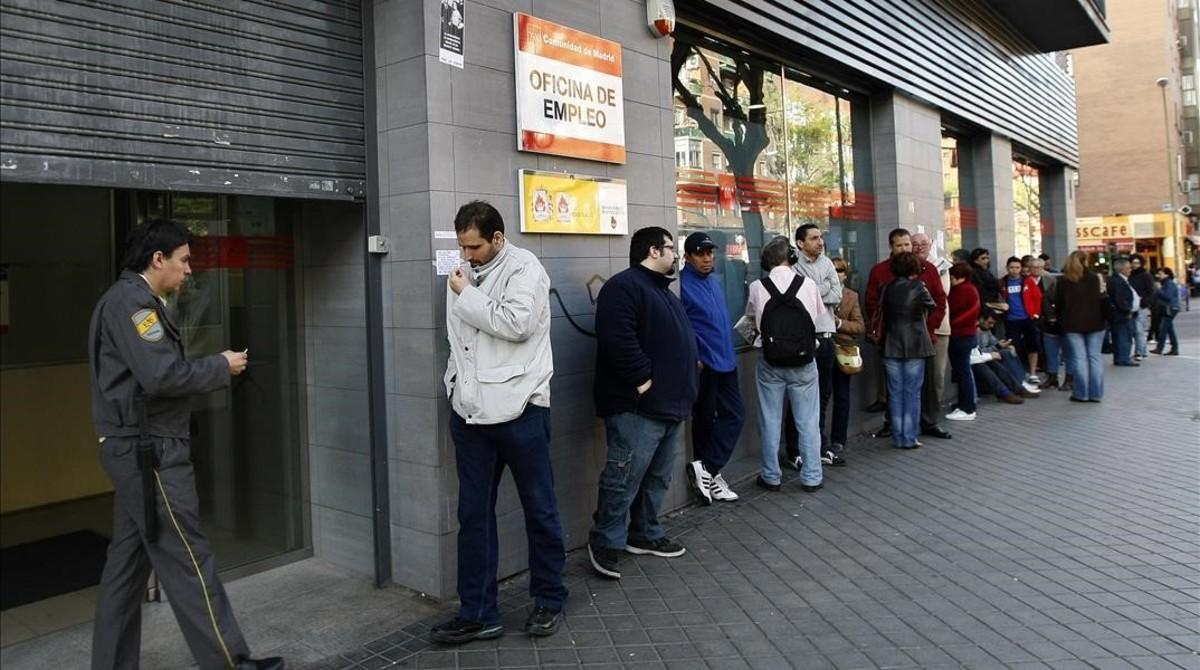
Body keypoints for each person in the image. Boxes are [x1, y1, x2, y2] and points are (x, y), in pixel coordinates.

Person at [88, 220, 282, 670]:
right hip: (150, 454)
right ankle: (232, 663)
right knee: (190, 560)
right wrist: (220, 366)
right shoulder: (134, 304)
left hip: (137, 450)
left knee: (126, 569)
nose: (189, 271)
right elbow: (160, 376)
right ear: (159, 260)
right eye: (184, 260)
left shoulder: (129, 300)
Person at [431, 201, 567, 644]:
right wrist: (454, 387)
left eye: (473, 247)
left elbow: (517, 324)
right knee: (473, 516)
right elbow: (463, 342)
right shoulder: (464, 275)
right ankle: (478, 613)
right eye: (462, 247)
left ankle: (549, 599)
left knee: (539, 509)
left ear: (497, 238)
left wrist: (465, 295)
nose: (466, 256)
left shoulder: (525, 268)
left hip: (522, 410)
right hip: (470, 415)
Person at [589, 227, 698, 580]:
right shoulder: (624, 287)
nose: (676, 257)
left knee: (657, 477)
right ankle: (605, 540)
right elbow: (616, 337)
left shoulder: (663, 291)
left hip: (669, 404)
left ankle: (644, 533)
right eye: (672, 250)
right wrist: (642, 380)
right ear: (654, 251)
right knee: (624, 476)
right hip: (638, 406)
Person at [745, 236, 827, 491]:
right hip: (804, 362)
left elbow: (750, 319)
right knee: (808, 421)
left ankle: (771, 475)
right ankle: (812, 476)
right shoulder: (808, 284)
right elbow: (819, 319)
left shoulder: (758, 287)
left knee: (769, 419)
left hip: (770, 362)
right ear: (791, 257)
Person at [864, 229, 948, 440]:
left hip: (923, 337)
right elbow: (872, 304)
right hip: (891, 339)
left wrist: (928, 327)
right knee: (899, 389)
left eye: (907, 244)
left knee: (928, 382)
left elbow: (939, 301)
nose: (904, 249)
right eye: (900, 245)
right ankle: (896, 427)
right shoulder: (880, 271)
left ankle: (927, 423)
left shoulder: (927, 268)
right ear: (891, 247)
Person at [680, 232, 743, 504]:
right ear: (687, 257)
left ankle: (707, 468)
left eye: (710, 253)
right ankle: (709, 474)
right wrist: (695, 357)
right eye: (700, 254)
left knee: (735, 415)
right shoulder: (681, 285)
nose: (707, 259)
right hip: (705, 363)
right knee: (704, 420)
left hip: (727, 359)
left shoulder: (714, 283)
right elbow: (681, 327)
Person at [785, 224, 842, 467]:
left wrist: (816, 289)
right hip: (806, 340)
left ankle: (819, 446)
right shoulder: (792, 266)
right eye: (814, 238)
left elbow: (837, 295)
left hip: (827, 338)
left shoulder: (827, 263)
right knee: (799, 397)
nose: (820, 242)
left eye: (821, 238)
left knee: (823, 396)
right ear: (800, 243)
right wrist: (824, 288)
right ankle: (794, 450)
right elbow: (800, 298)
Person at [880, 252, 935, 449]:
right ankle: (909, 437)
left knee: (895, 393)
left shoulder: (886, 288)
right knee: (912, 392)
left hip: (890, 343)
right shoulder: (919, 287)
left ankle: (898, 436)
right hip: (915, 344)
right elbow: (932, 305)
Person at [912, 233, 953, 439]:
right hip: (911, 332)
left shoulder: (940, 267)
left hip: (938, 329)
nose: (919, 247)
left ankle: (930, 420)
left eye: (924, 244)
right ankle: (912, 420)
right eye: (915, 244)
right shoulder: (905, 268)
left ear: (931, 245)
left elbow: (940, 297)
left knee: (936, 377)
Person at [1056, 250, 1108, 403]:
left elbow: (1059, 305)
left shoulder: (1064, 281)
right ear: (1086, 261)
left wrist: (1061, 320)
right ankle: (1096, 394)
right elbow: (1104, 300)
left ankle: (1081, 393)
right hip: (1096, 323)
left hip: (1072, 324)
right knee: (1095, 358)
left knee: (1079, 359)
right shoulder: (1096, 278)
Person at [829, 257, 863, 462]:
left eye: (840, 270)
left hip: (844, 351)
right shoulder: (818, 291)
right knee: (821, 398)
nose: (836, 273)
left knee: (842, 397)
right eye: (833, 270)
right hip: (822, 349)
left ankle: (838, 440)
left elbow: (860, 326)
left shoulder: (852, 296)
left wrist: (840, 323)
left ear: (845, 274)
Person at [972, 311, 1037, 404]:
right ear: (981, 320)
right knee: (993, 361)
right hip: (975, 360)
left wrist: (1003, 345)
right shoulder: (976, 331)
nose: (991, 326)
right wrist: (996, 349)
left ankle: (1018, 385)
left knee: (1007, 352)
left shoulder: (986, 330)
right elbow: (977, 351)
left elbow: (994, 342)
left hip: (982, 357)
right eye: (989, 323)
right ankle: (1010, 389)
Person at [945, 262, 980, 421]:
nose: (950, 280)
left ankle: (967, 408)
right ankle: (965, 404)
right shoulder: (971, 289)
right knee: (964, 371)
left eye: (952, 277)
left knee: (962, 371)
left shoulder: (961, 290)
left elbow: (951, 310)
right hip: (967, 334)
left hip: (960, 334)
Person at [1001, 255, 1041, 383]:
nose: (1014, 270)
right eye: (1011, 267)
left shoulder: (1027, 281)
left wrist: (1035, 315)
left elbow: (1038, 297)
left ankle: (1033, 373)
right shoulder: (1002, 282)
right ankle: (1018, 373)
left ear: (1021, 268)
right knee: (1013, 347)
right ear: (1007, 268)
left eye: (1017, 267)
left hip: (1027, 318)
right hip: (1011, 320)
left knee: (1032, 346)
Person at [1031, 257, 1064, 389]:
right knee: (1046, 347)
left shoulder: (1051, 279)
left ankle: (1055, 375)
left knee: (1054, 349)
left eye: (1038, 267)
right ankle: (1051, 375)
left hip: (1049, 319)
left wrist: (1051, 316)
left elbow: (1049, 300)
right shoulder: (1026, 280)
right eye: (1033, 267)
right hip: (1034, 316)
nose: (1035, 270)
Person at [1107, 257, 1139, 367]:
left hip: (1119, 314)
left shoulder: (1118, 280)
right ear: (1122, 269)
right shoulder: (1118, 281)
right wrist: (1127, 310)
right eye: (1129, 268)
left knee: (1120, 336)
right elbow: (1119, 299)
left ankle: (1120, 357)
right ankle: (1123, 358)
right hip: (1122, 315)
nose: (1130, 270)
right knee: (1123, 336)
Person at [1128, 255, 1155, 360]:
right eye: (1133, 262)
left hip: (1141, 306)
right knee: (1136, 329)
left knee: (1138, 329)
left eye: (1137, 263)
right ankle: (1143, 352)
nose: (1135, 265)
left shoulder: (1146, 276)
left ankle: (1139, 352)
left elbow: (1151, 291)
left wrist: (1145, 303)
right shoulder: (1129, 275)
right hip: (1132, 306)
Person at [1153, 267, 1181, 355]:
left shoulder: (1169, 283)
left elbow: (1168, 296)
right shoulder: (1166, 283)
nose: (1159, 275)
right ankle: (1174, 348)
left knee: (1163, 328)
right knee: (1169, 328)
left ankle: (1160, 348)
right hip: (1169, 307)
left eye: (1161, 274)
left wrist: (1158, 290)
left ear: (1167, 274)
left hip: (1170, 308)